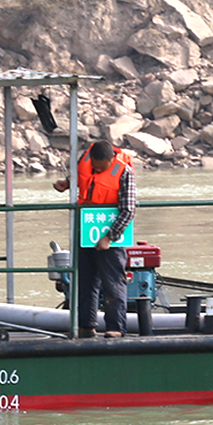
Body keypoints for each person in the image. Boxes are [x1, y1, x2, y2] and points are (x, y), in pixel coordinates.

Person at [53, 140, 136, 337]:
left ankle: (116, 327)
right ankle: (86, 325)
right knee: (85, 279)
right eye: (94, 166)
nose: (97, 170)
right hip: (86, 229)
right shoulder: (85, 161)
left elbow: (128, 210)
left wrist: (110, 237)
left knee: (113, 281)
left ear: (112, 159)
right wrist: (67, 184)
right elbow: (82, 180)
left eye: (101, 167)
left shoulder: (124, 172)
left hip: (111, 234)